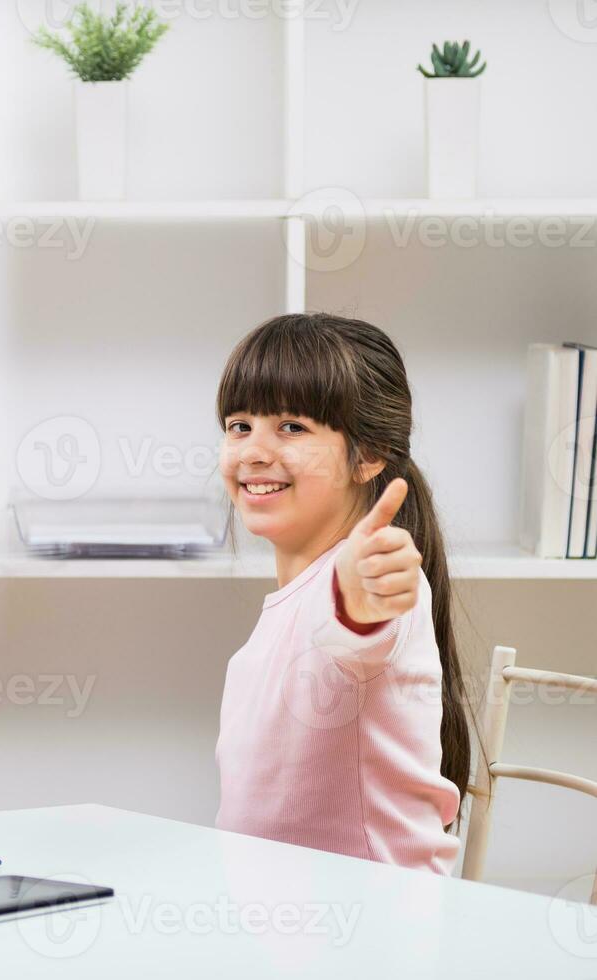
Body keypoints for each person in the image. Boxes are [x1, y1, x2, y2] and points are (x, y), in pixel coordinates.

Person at [213, 312, 469, 874]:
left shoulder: (358, 583)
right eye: (239, 425)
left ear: (368, 456)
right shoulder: (287, 605)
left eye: (292, 427)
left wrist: (361, 595)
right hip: (289, 932)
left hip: (373, 939)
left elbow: (355, 623)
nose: (254, 451)